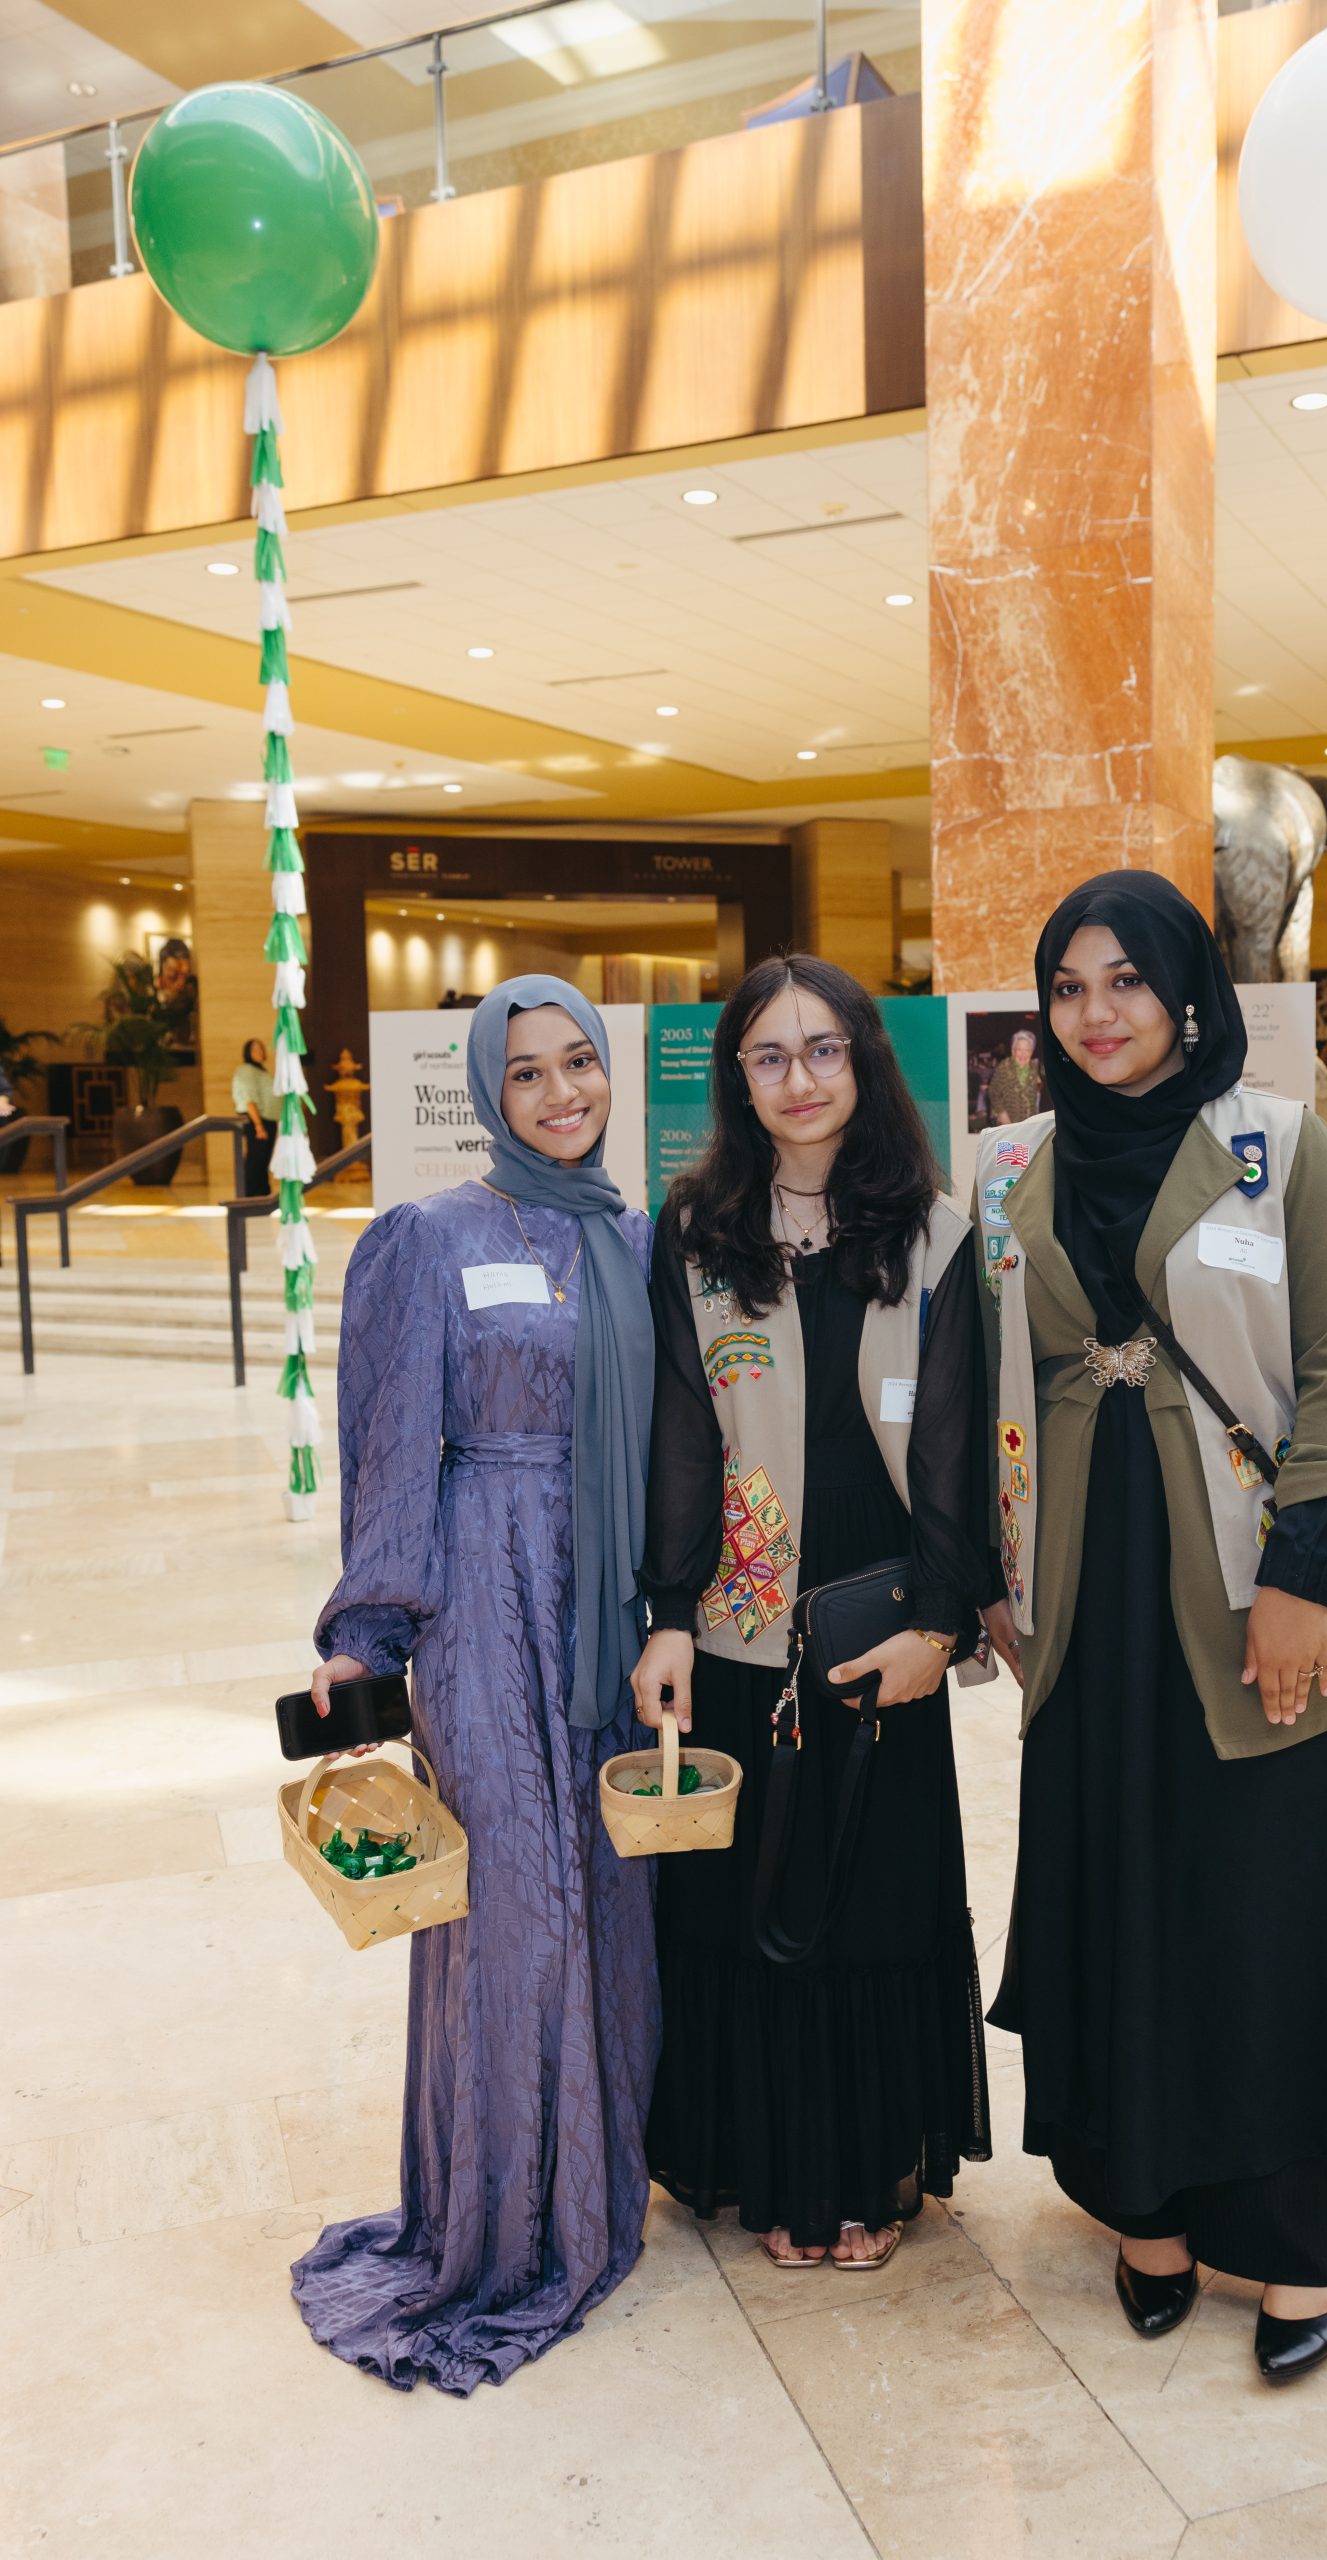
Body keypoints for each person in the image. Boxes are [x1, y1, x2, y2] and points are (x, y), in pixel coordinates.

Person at [977, 871, 1327, 2387]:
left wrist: (1303, 1581)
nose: (1095, 1015)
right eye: (1068, 988)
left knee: (1264, 1914)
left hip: (1249, 1595)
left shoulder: (1279, 1148)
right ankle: (1139, 2212)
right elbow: (979, 1382)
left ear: (1183, 992)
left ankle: (1292, 2245)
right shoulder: (1005, 1170)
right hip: (1086, 1605)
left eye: (1125, 982)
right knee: (1108, 1897)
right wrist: (989, 1586)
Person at [291, 973, 659, 2393]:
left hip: (614, 1616)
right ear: (485, 1091)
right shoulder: (426, 1239)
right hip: (483, 1609)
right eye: (527, 1075)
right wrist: (364, 1634)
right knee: (508, 1906)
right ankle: (495, 2227)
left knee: (610, 1899)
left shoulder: (632, 1236)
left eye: (581, 1064)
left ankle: (592, 2198)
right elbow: (394, 1449)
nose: (562, 1094)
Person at [632, 955, 992, 2271]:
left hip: (878, 1630)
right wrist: (669, 1615)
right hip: (737, 1632)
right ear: (737, 1075)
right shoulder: (694, 1235)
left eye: (824, 1050)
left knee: (872, 1902)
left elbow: (954, 1449)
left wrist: (941, 1622)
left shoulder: (933, 1231)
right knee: (742, 1905)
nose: (799, 1080)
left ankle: (863, 2173)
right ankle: (765, 2169)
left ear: (863, 1062)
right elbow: (681, 1439)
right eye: (770, 1056)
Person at [231, 1037, 276, 1196]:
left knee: (263, 1159)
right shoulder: (246, 1070)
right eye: (255, 1049)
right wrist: (258, 1125)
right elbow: (248, 1098)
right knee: (255, 1159)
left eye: (261, 1048)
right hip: (257, 1120)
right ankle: (249, 1194)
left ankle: (262, 1193)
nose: (259, 1052)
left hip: (268, 1120)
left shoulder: (262, 1070)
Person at [987, 1025, 1043, 1124]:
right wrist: (1002, 1114)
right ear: (1013, 1051)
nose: (1023, 1054)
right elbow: (993, 1092)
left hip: (1029, 1123)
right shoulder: (1004, 1067)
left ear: (1031, 1052)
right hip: (1008, 1122)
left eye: (1027, 1050)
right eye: (1019, 1050)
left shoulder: (1034, 1068)